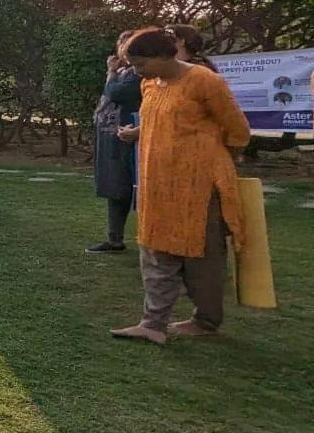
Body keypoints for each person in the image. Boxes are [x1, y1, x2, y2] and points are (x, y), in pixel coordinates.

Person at [110, 28, 251, 345]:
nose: (136, 71)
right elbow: (160, 119)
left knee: (202, 255)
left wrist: (214, 158)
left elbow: (238, 130)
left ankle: (206, 321)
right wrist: (137, 133)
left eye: (141, 63)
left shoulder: (204, 81)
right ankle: (153, 324)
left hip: (200, 187)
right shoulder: (150, 84)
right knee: (155, 250)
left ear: (163, 55)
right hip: (158, 183)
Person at [87, 31, 142, 254]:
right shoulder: (124, 72)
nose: (122, 49)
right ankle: (114, 239)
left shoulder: (139, 73)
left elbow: (115, 92)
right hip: (113, 135)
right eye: (120, 44)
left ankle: (153, 241)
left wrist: (110, 72)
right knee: (114, 187)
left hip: (132, 136)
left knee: (132, 187)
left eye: (127, 44)